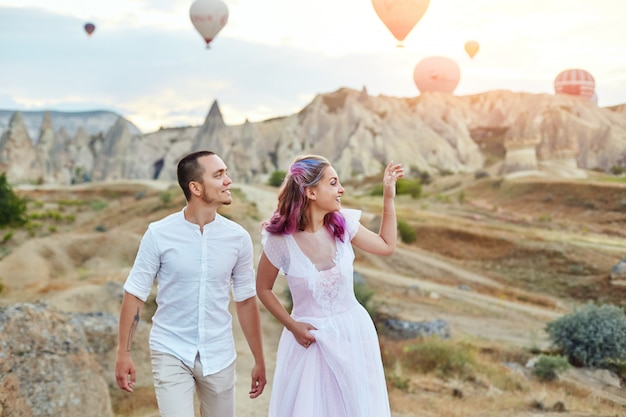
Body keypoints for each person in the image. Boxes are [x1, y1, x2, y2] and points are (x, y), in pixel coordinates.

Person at [115, 150, 266, 417]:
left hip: (219, 353)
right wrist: (124, 353)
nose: (228, 180)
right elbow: (135, 295)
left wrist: (259, 359)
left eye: (226, 173)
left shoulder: (238, 238)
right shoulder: (158, 234)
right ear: (195, 187)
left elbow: (245, 300)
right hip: (170, 349)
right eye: (219, 175)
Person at [256, 154, 404, 417]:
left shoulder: (343, 225)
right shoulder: (281, 241)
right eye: (333, 183)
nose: (341, 190)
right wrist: (292, 326)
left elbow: (387, 246)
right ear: (311, 192)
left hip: (353, 333)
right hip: (309, 340)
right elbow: (263, 288)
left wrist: (388, 197)